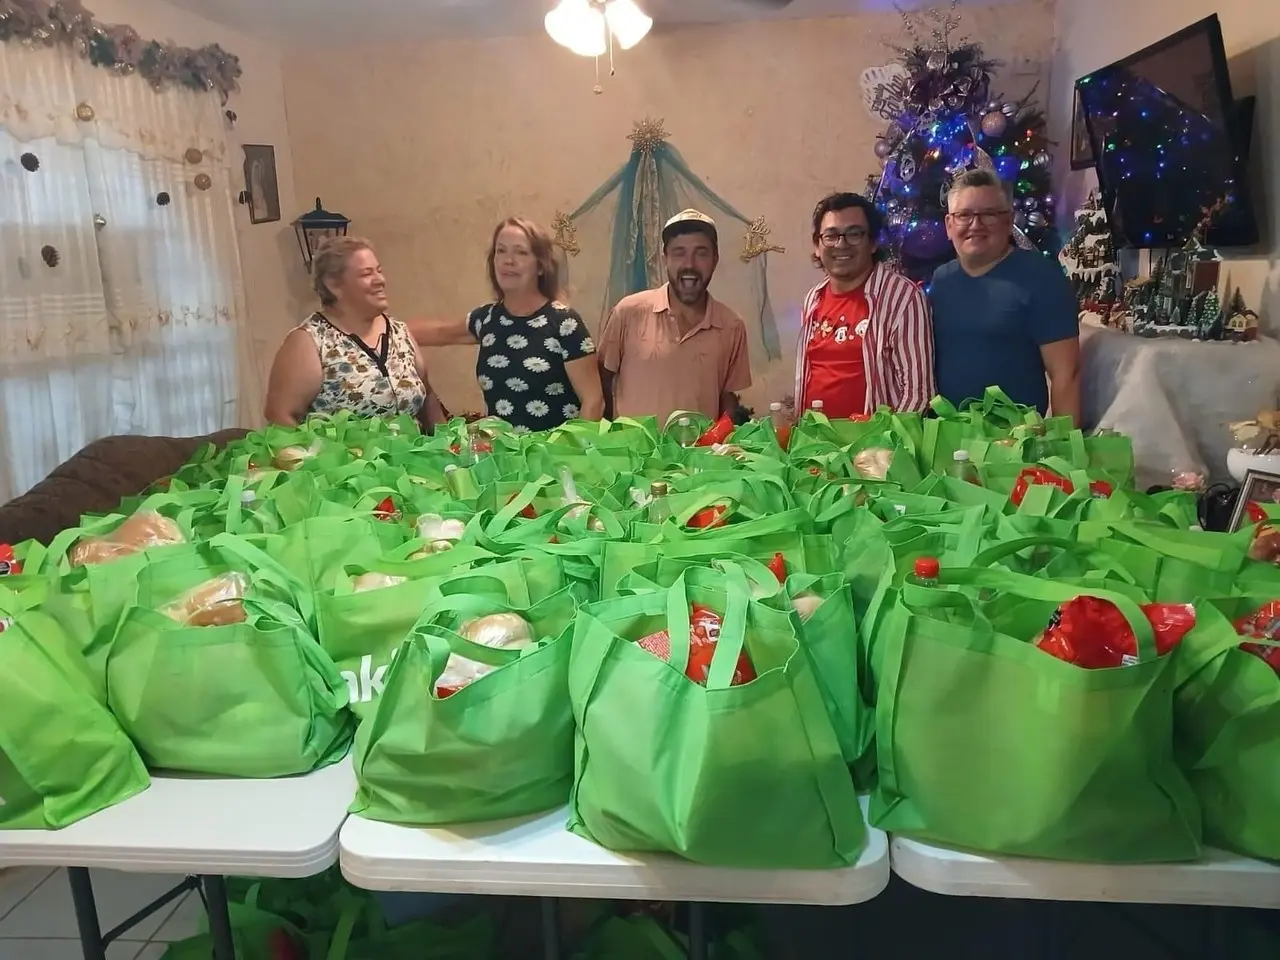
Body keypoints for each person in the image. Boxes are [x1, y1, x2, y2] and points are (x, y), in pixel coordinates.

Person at [408, 217, 604, 432]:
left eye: (520, 252)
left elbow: (593, 402)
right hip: (503, 457)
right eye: (501, 251)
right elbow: (439, 332)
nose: (508, 260)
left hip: (553, 458)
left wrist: (571, 455)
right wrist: (383, 328)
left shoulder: (565, 323)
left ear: (540, 266)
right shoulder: (487, 320)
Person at [930, 168, 1081, 422]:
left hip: (1015, 442)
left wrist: (1063, 447)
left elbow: (1066, 374)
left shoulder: (1041, 277)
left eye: (989, 214)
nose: (975, 225)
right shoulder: (941, 279)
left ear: (1009, 220)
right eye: (964, 215)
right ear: (949, 225)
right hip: (948, 437)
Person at [263, 236, 446, 428]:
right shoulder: (310, 341)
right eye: (367, 274)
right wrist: (321, 456)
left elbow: (428, 398)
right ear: (334, 285)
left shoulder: (399, 331)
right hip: (342, 457)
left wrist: (450, 444)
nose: (380, 280)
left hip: (414, 456)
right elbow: (280, 416)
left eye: (379, 271)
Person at [597, 209, 751, 423]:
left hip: (698, 455)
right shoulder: (628, 312)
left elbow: (728, 399)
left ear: (715, 259)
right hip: (633, 454)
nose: (690, 264)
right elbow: (601, 382)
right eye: (679, 252)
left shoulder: (732, 326)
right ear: (665, 258)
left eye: (701, 253)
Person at [793, 192, 934, 416]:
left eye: (854, 234)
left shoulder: (902, 298)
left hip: (875, 445)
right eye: (831, 236)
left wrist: (882, 446)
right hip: (815, 442)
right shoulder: (814, 298)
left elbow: (918, 394)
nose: (841, 244)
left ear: (873, 242)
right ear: (817, 246)